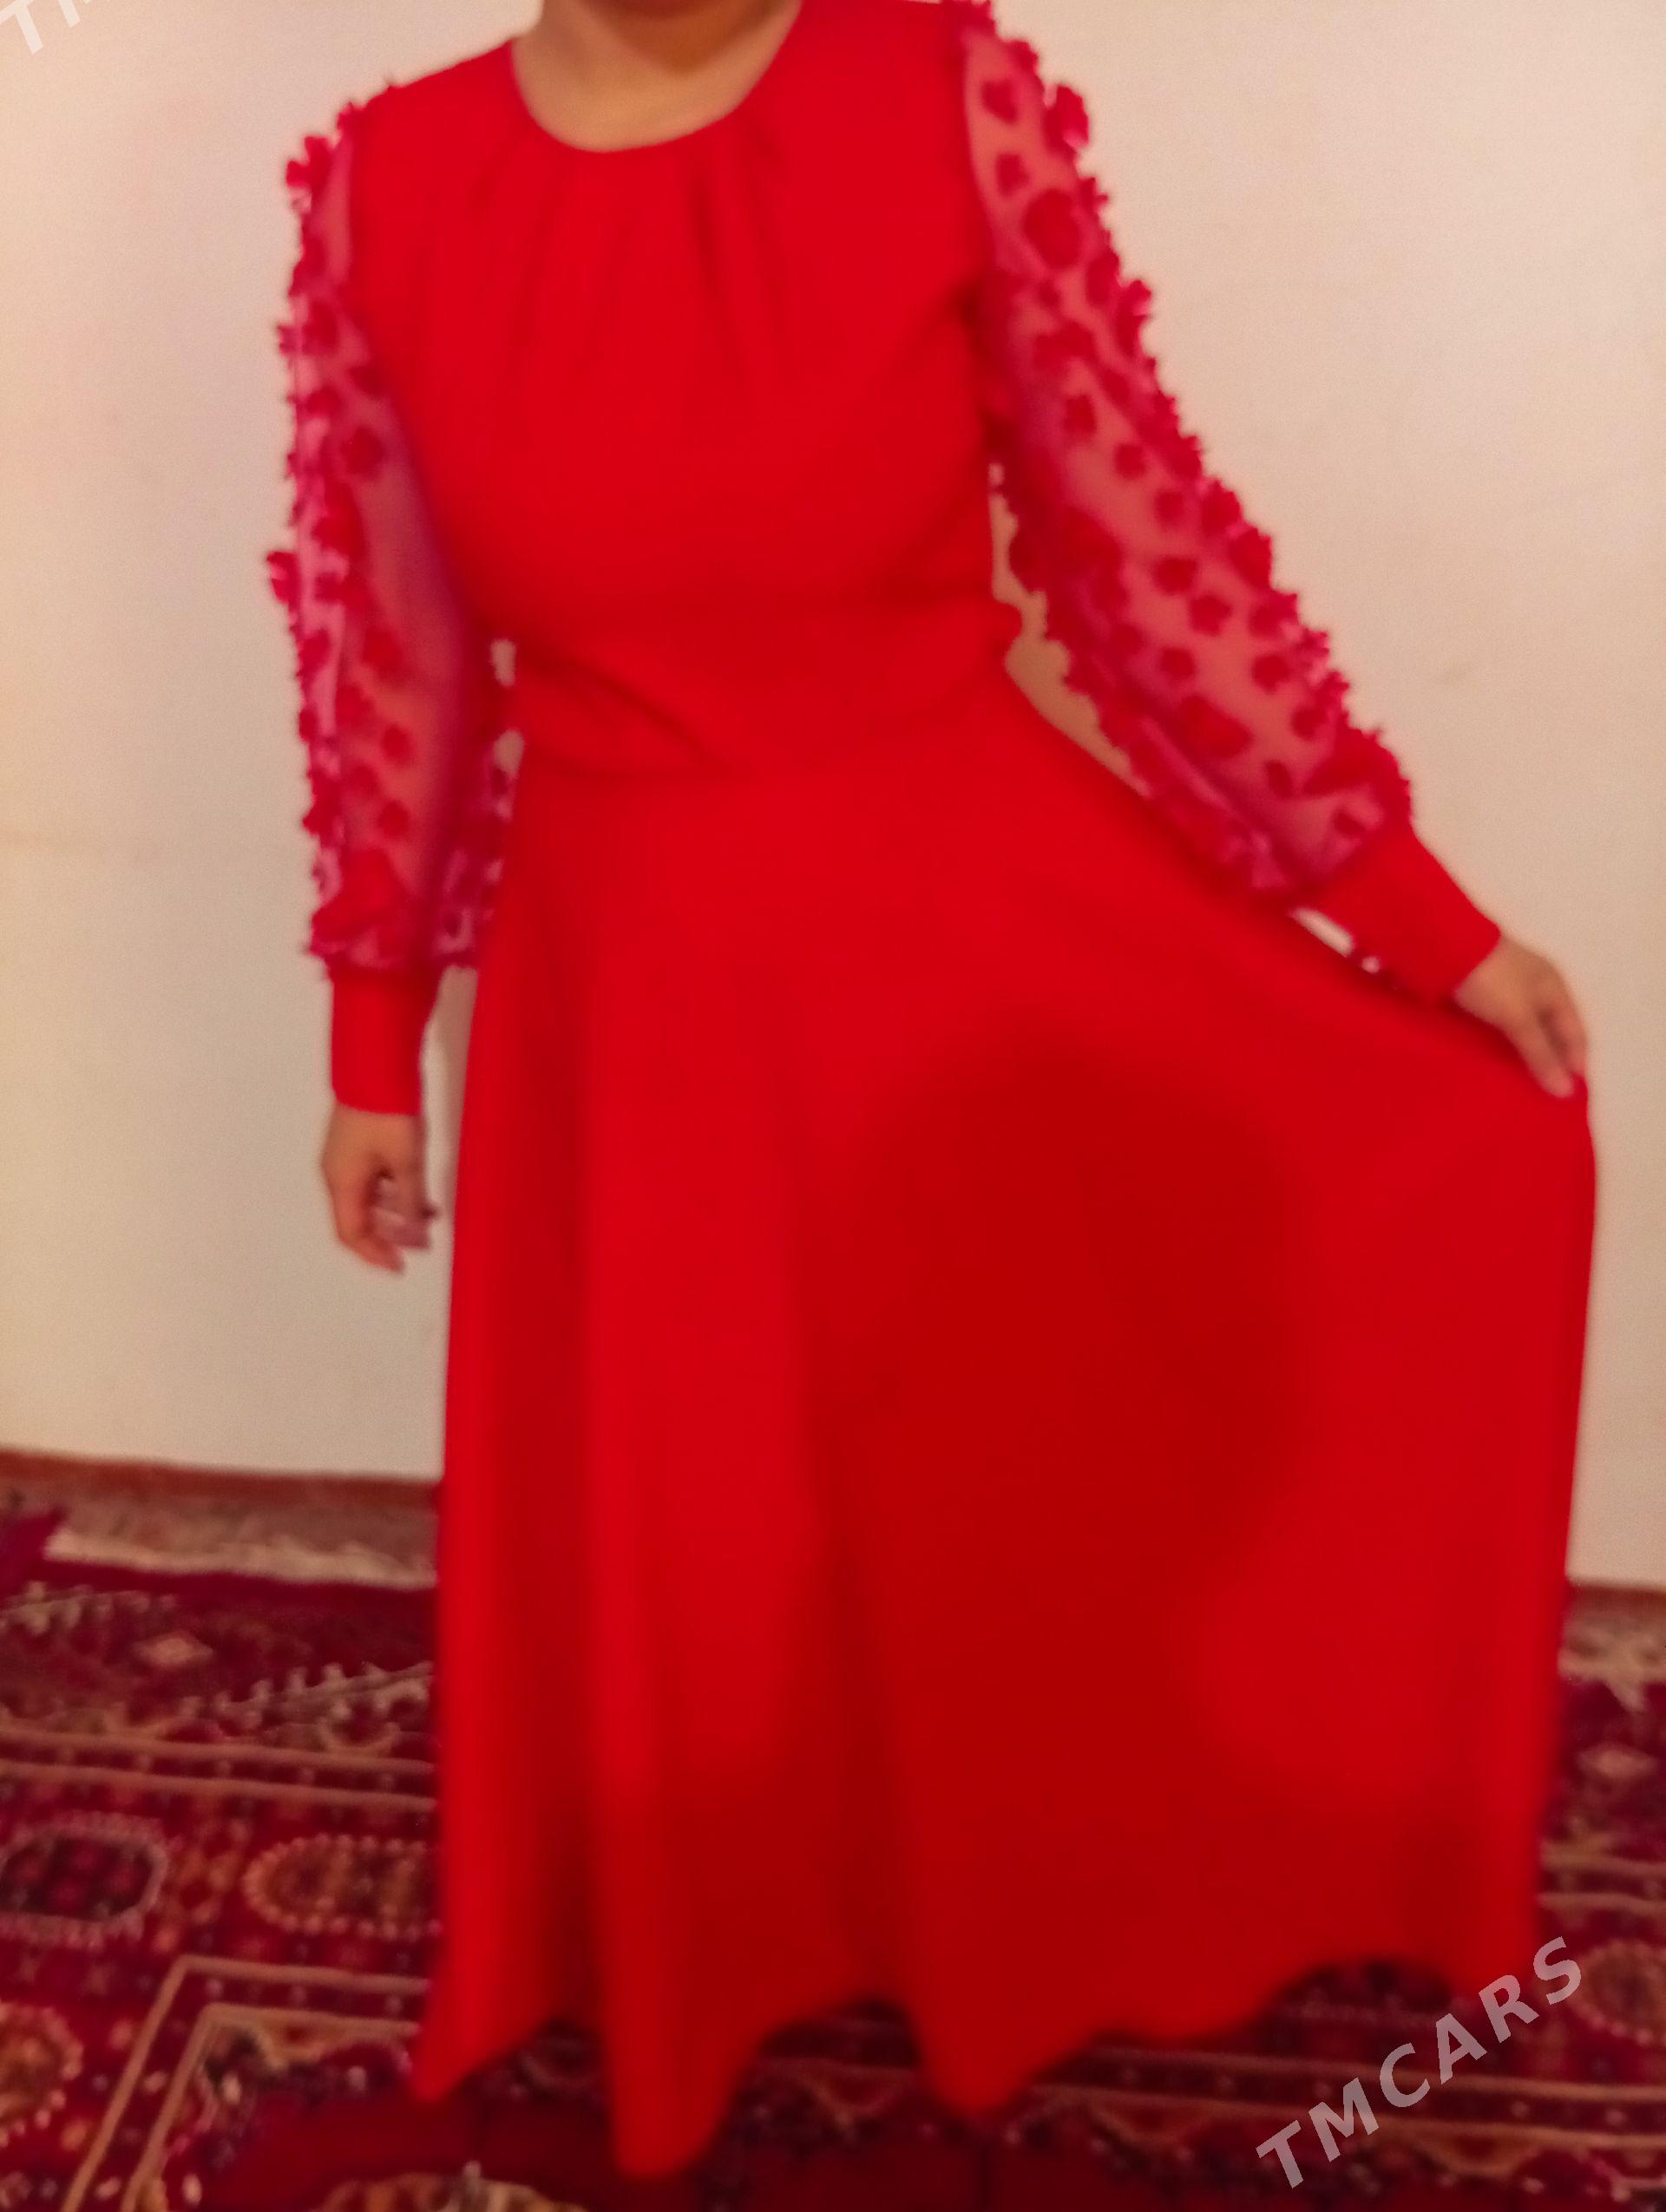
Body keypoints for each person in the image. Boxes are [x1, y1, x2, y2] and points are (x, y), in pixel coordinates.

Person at [267, 0, 1598, 2176]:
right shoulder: (390, 191)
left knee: (993, 1478)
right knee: (723, 1538)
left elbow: (1136, 545)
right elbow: (399, 652)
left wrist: (1418, 922)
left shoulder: (937, 95)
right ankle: (738, 1946)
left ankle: (1033, 1911)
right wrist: (371, 1041)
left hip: (958, 937)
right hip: (635, 1005)